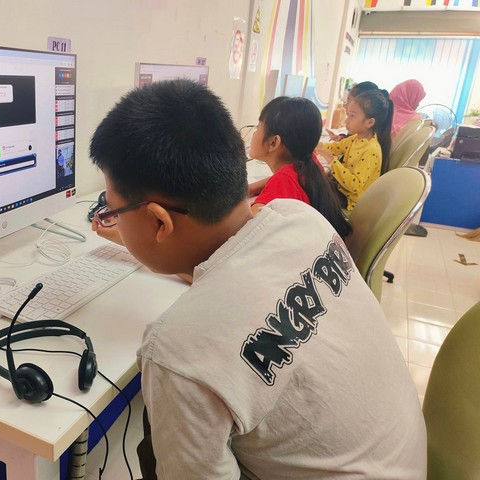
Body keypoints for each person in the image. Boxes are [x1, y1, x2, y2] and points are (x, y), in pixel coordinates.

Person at [89, 79, 425, 479]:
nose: (111, 219)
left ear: (159, 222)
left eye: (113, 210)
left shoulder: (176, 351)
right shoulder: (302, 220)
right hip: (404, 458)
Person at [248, 96, 352, 239]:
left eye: (258, 127)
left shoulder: (282, 182)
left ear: (273, 142)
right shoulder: (310, 163)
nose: (254, 133)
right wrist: (251, 188)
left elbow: (247, 229)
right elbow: (283, 179)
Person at [318, 88, 394, 211]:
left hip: (352, 201)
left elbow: (355, 186)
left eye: (352, 116)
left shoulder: (371, 150)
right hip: (343, 190)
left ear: (370, 122)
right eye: (348, 114)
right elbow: (335, 148)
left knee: (315, 189)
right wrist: (318, 146)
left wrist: (332, 161)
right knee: (315, 181)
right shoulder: (355, 139)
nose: (346, 120)